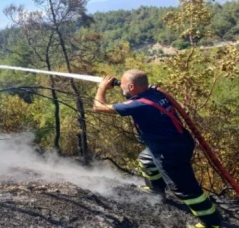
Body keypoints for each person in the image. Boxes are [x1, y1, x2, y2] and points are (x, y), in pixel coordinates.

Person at [92, 69, 222, 228]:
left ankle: (212, 223)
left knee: (185, 188)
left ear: (132, 87)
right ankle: (156, 191)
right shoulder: (154, 93)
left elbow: (98, 107)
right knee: (146, 160)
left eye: (123, 85)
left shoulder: (137, 104)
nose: (121, 88)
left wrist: (101, 88)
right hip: (177, 141)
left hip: (169, 150)